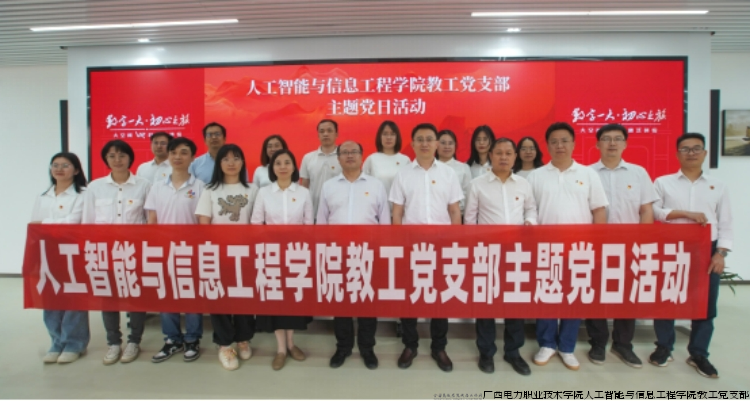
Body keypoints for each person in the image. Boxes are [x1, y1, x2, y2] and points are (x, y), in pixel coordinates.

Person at [526, 122, 608, 371]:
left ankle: (567, 347)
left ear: (573, 143)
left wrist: (598, 246)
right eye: (554, 141)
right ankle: (547, 343)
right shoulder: (536, 176)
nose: (559, 145)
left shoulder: (588, 174)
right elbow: (530, 210)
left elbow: (599, 211)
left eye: (564, 141)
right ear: (547, 145)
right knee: (547, 296)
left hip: (580, 248)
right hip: (545, 248)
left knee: (574, 297)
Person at [651, 133, 732, 379]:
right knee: (666, 300)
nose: (691, 153)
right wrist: (685, 213)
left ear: (705, 153)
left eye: (697, 148)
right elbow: (655, 211)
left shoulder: (718, 185)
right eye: (685, 149)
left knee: (704, 303)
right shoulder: (663, 182)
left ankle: (698, 353)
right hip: (672, 247)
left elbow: (726, 222)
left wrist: (720, 253)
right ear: (677, 154)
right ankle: (664, 347)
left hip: (706, 249)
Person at [390, 123, 463, 372]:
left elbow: (454, 211)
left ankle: (439, 347)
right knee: (410, 298)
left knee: (440, 297)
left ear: (436, 144)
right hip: (411, 246)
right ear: (412, 143)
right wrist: (400, 244)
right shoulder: (403, 174)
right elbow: (397, 213)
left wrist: (454, 244)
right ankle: (410, 345)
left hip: (442, 246)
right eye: (419, 139)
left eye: (429, 139)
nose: (424, 143)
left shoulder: (448, 173)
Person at [585, 124, 659, 368]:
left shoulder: (638, 173)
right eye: (606, 139)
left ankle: (623, 344)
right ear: (597, 144)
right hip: (596, 245)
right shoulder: (586, 173)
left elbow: (646, 210)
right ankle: (598, 342)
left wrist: (643, 243)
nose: (612, 143)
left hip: (630, 245)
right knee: (596, 295)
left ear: (625, 144)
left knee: (627, 295)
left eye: (618, 139)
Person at [464, 138, 537, 376]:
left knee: (514, 304)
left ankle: (513, 352)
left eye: (508, 153)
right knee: (486, 305)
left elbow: (531, 209)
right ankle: (486, 352)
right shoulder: (477, 184)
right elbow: (470, 220)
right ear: (491, 155)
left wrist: (530, 222)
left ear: (515, 156)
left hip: (516, 253)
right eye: (498, 153)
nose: (503, 157)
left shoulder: (523, 184)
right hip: (487, 253)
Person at [317, 140, 390, 370]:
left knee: (367, 303)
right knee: (341, 303)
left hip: (368, 253)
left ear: (362, 156)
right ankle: (343, 347)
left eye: (354, 152)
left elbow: (385, 222)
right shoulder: (329, 186)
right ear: (338, 158)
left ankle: (367, 348)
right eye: (345, 152)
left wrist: (382, 253)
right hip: (337, 253)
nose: (350, 155)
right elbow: (321, 222)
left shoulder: (376, 185)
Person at [82, 140, 151, 365]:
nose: (117, 160)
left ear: (130, 158)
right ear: (106, 159)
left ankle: (134, 341)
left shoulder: (144, 185)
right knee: (108, 298)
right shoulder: (95, 187)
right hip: (105, 251)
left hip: (134, 251)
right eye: (112, 156)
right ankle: (113, 342)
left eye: (122, 155)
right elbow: (88, 222)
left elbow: (149, 221)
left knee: (136, 297)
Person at [195, 144, 259, 371]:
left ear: (243, 162)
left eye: (236, 158)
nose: (231, 163)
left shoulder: (253, 189)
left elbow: (257, 222)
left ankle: (243, 338)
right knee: (219, 299)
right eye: (226, 159)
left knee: (244, 299)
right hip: (218, 254)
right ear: (219, 164)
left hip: (245, 255)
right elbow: (204, 224)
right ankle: (224, 344)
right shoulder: (210, 190)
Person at [251, 149, 314, 371]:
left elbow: (309, 225)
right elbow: (256, 224)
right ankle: (280, 349)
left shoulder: (303, 192)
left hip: (297, 254)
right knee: (276, 301)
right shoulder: (264, 192)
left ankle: (291, 343)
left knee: (293, 300)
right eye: (278, 163)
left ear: (294, 167)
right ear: (272, 168)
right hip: (272, 254)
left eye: (287, 162)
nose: (283, 166)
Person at [144, 137, 205, 363]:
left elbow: (203, 222)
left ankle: (192, 339)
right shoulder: (157, 187)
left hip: (191, 251)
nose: (177, 157)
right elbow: (152, 220)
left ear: (192, 157)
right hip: (163, 250)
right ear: (168, 156)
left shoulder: (200, 187)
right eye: (173, 152)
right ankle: (172, 339)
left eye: (183, 152)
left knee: (191, 296)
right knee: (167, 296)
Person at [31, 152, 89, 364]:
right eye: (55, 165)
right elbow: (34, 225)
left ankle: (74, 343)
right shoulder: (43, 196)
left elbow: (74, 223)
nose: (59, 169)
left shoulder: (83, 194)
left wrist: (46, 224)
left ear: (76, 170)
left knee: (73, 297)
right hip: (47, 252)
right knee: (51, 297)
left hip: (74, 252)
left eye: (65, 165)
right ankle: (56, 342)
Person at [300, 119, 341, 217]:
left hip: (338, 212)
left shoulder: (344, 157)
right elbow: (304, 186)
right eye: (322, 131)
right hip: (313, 211)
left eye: (329, 131)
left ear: (336, 134)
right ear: (318, 135)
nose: (325, 134)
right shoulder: (308, 158)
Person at [362, 120, 411, 196]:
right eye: (385, 134)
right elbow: (363, 185)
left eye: (392, 134)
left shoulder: (405, 160)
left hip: (400, 203)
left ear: (397, 137)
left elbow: (410, 186)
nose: (388, 137)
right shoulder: (372, 159)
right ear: (380, 137)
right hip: (376, 202)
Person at [436, 129, 472, 213]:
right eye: (443, 143)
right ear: (436, 145)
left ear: (455, 146)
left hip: (458, 214)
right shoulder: (429, 167)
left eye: (450, 143)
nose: (447, 147)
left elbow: (468, 194)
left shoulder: (463, 168)